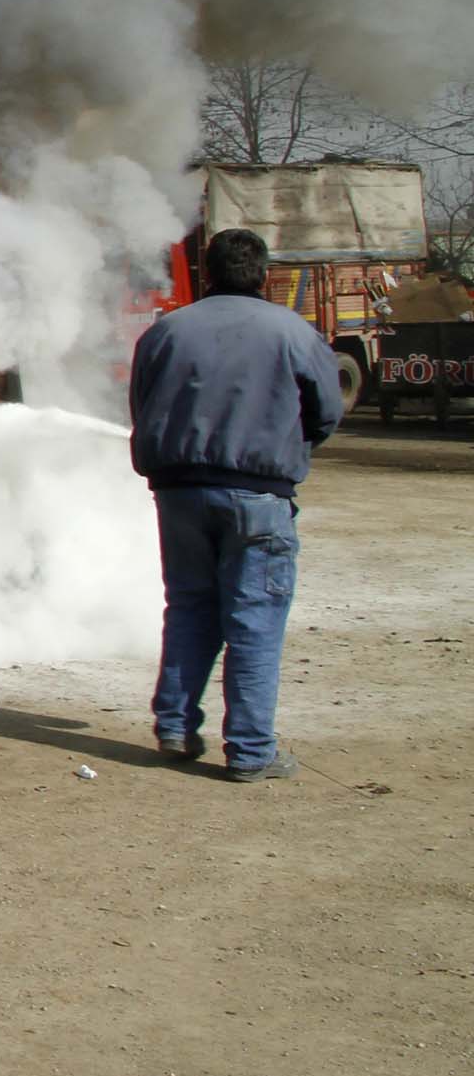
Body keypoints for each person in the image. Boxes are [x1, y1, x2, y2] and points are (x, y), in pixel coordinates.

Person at [131, 227, 345, 782]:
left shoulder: (165, 332)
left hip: (177, 493)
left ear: (208, 271)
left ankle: (175, 725)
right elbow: (326, 409)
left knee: (189, 607)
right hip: (258, 494)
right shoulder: (292, 332)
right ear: (264, 274)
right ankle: (251, 752)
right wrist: (290, 445)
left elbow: (143, 405)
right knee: (253, 618)